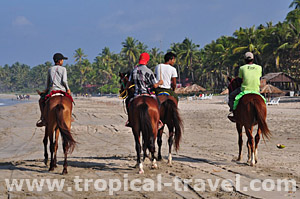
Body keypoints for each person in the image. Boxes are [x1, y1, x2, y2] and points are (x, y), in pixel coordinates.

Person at [125, 52, 163, 127]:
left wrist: (126, 88)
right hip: (148, 94)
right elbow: (155, 85)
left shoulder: (134, 71)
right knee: (158, 102)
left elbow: (128, 84)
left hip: (137, 94)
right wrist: (160, 82)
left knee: (128, 101)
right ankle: (158, 120)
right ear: (147, 61)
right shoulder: (149, 71)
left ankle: (130, 119)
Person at [36, 53, 71, 127]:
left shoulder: (50, 69)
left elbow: (48, 83)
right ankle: (69, 117)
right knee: (70, 101)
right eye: (62, 60)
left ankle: (43, 118)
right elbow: (64, 81)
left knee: (41, 101)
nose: (63, 62)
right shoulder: (63, 69)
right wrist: (68, 89)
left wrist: (45, 90)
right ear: (60, 61)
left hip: (52, 90)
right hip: (62, 90)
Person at [228, 52, 262, 122]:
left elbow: (240, 80)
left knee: (231, 96)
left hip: (245, 89)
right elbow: (259, 78)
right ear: (253, 59)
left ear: (245, 60)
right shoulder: (259, 67)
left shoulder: (242, 68)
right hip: (256, 90)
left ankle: (233, 113)